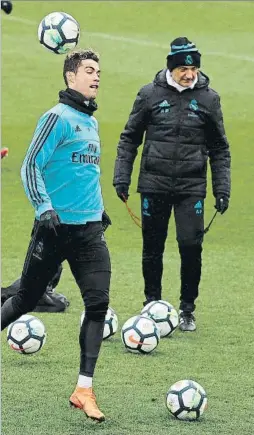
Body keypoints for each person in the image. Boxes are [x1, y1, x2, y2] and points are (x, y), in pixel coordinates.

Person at [1, 49, 111, 421]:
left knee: (97, 304)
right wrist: (43, 208)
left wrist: (98, 209)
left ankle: (84, 389)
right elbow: (31, 164)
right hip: (53, 229)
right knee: (25, 301)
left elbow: (85, 173)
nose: (96, 77)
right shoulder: (57, 117)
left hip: (89, 232)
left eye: (99, 71)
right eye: (89, 71)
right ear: (70, 77)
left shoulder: (90, 121)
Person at [113, 37, 231, 332]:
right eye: (183, 69)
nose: (190, 74)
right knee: (152, 247)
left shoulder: (209, 99)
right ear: (171, 68)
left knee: (191, 246)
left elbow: (219, 148)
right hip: (153, 184)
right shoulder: (149, 95)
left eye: (194, 68)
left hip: (191, 188)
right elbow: (129, 138)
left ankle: (187, 309)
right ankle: (151, 303)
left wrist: (222, 188)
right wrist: (121, 176)